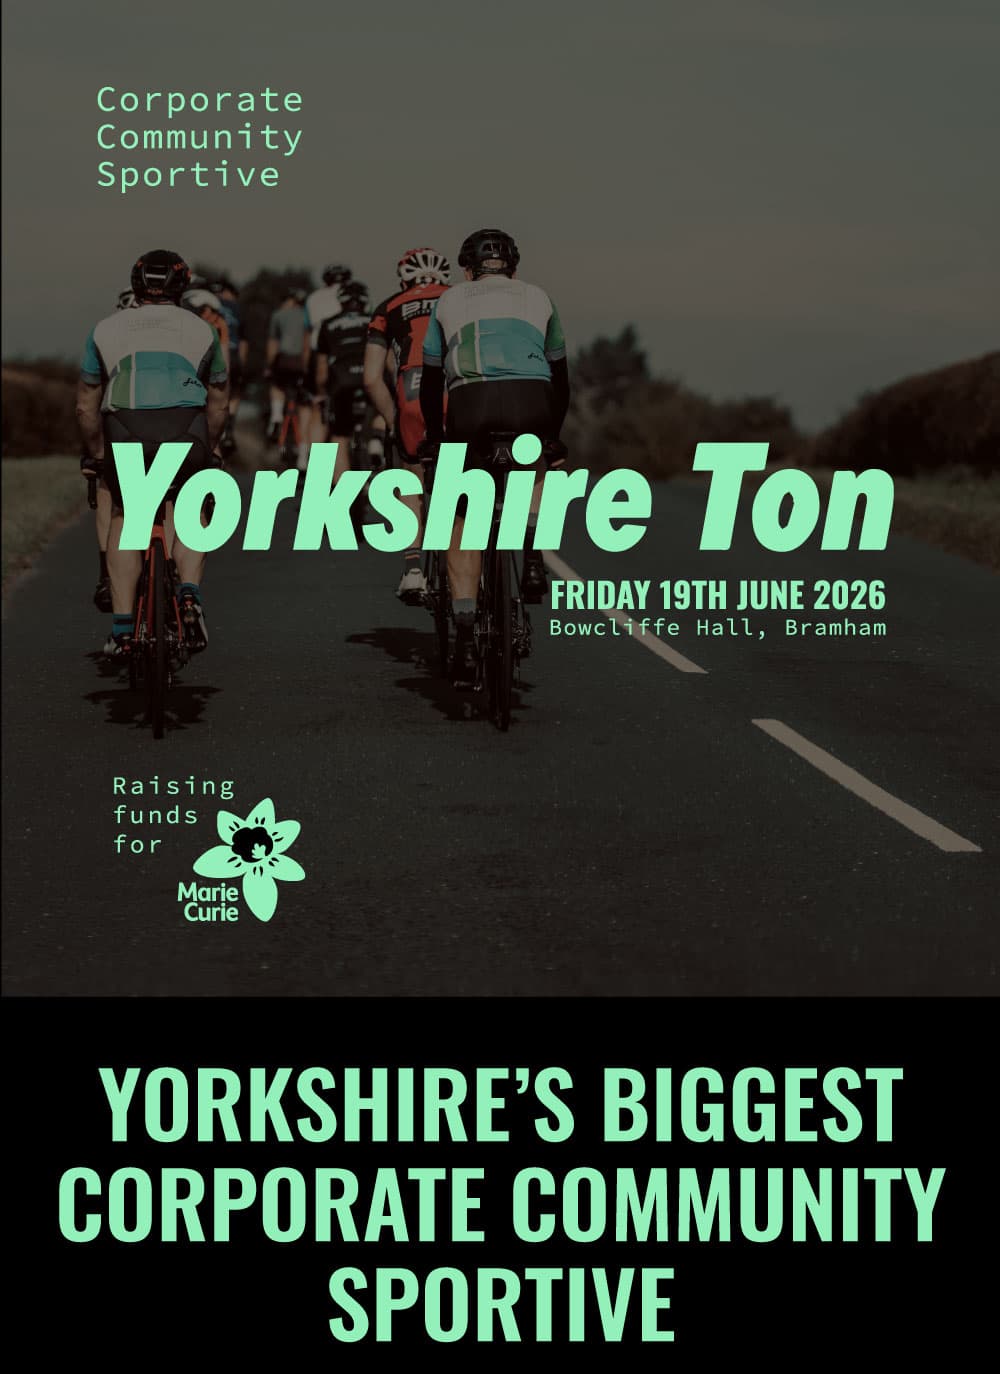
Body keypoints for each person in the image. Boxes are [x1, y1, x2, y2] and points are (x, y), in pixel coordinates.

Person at [419, 228, 569, 685]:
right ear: (514, 268)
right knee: (540, 461)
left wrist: (436, 437)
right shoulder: (540, 297)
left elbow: (429, 381)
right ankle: (531, 541)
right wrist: (553, 436)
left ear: (467, 269)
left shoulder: (449, 300)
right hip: (532, 401)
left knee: (459, 512)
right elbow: (561, 380)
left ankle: (464, 614)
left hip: (471, 404)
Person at [77, 250, 229, 656]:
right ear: (182, 286)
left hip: (126, 428)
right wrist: (211, 448)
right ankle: (191, 595)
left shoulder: (105, 329)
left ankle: (124, 629)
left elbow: (85, 406)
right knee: (190, 506)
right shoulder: (202, 329)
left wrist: (95, 453)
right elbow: (218, 401)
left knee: (128, 516)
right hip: (186, 429)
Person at [364, 246, 451, 603]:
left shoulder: (388, 308)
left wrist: (394, 418)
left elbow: (371, 378)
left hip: (412, 391)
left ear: (404, 280)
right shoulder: (460, 298)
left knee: (412, 476)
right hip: (457, 387)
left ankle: (413, 567)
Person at [314, 281, 372, 485]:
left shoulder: (328, 324)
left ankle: (342, 489)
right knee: (384, 412)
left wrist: (321, 391)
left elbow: (321, 368)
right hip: (369, 379)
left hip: (341, 383)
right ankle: (376, 445)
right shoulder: (374, 320)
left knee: (339, 436)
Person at [303, 264, 351, 450]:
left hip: (319, 352)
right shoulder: (354, 294)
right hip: (349, 353)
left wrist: (306, 367)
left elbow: (307, 335)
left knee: (319, 404)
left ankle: (311, 462)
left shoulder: (314, 298)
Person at [265, 286, 308, 458]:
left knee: (277, 385)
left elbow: (272, 345)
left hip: (284, 360)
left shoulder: (278, 314)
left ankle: (276, 415)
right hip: (301, 362)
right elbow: (308, 342)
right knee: (305, 407)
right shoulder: (307, 315)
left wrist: (269, 367)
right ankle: (304, 456)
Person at [211, 278, 247, 452]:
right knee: (234, 392)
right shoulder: (236, 307)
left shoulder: (205, 306)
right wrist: (242, 363)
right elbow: (244, 341)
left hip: (212, 352)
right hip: (233, 352)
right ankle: (230, 425)